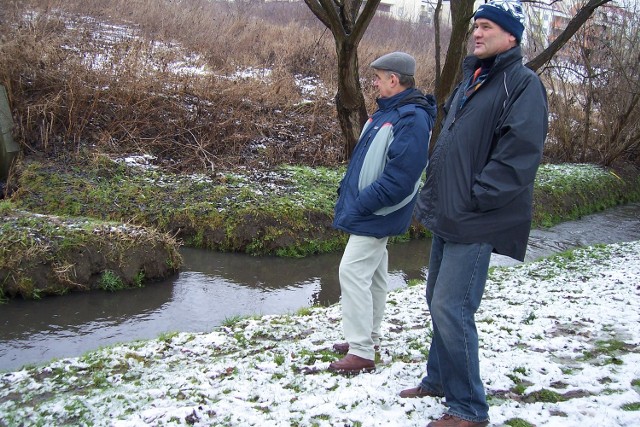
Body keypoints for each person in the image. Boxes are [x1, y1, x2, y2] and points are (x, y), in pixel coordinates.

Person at [401, 1, 549, 426]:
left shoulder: (521, 84)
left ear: (511, 36)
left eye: (486, 27)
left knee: (453, 306)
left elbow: (519, 155)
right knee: (436, 300)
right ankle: (439, 380)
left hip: (476, 216)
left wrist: (477, 197)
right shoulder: (473, 79)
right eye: (475, 27)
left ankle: (468, 408)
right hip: (450, 211)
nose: (477, 33)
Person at [328, 52, 437, 374]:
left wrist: (363, 203)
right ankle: (369, 338)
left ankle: (361, 351)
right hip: (372, 207)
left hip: (377, 210)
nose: (373, 82)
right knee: (374, 274)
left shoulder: (412, 118)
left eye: (378, 76)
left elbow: (402, 177)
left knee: (352, 272)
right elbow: (365, 162)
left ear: (394, 79)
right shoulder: (385, 114)